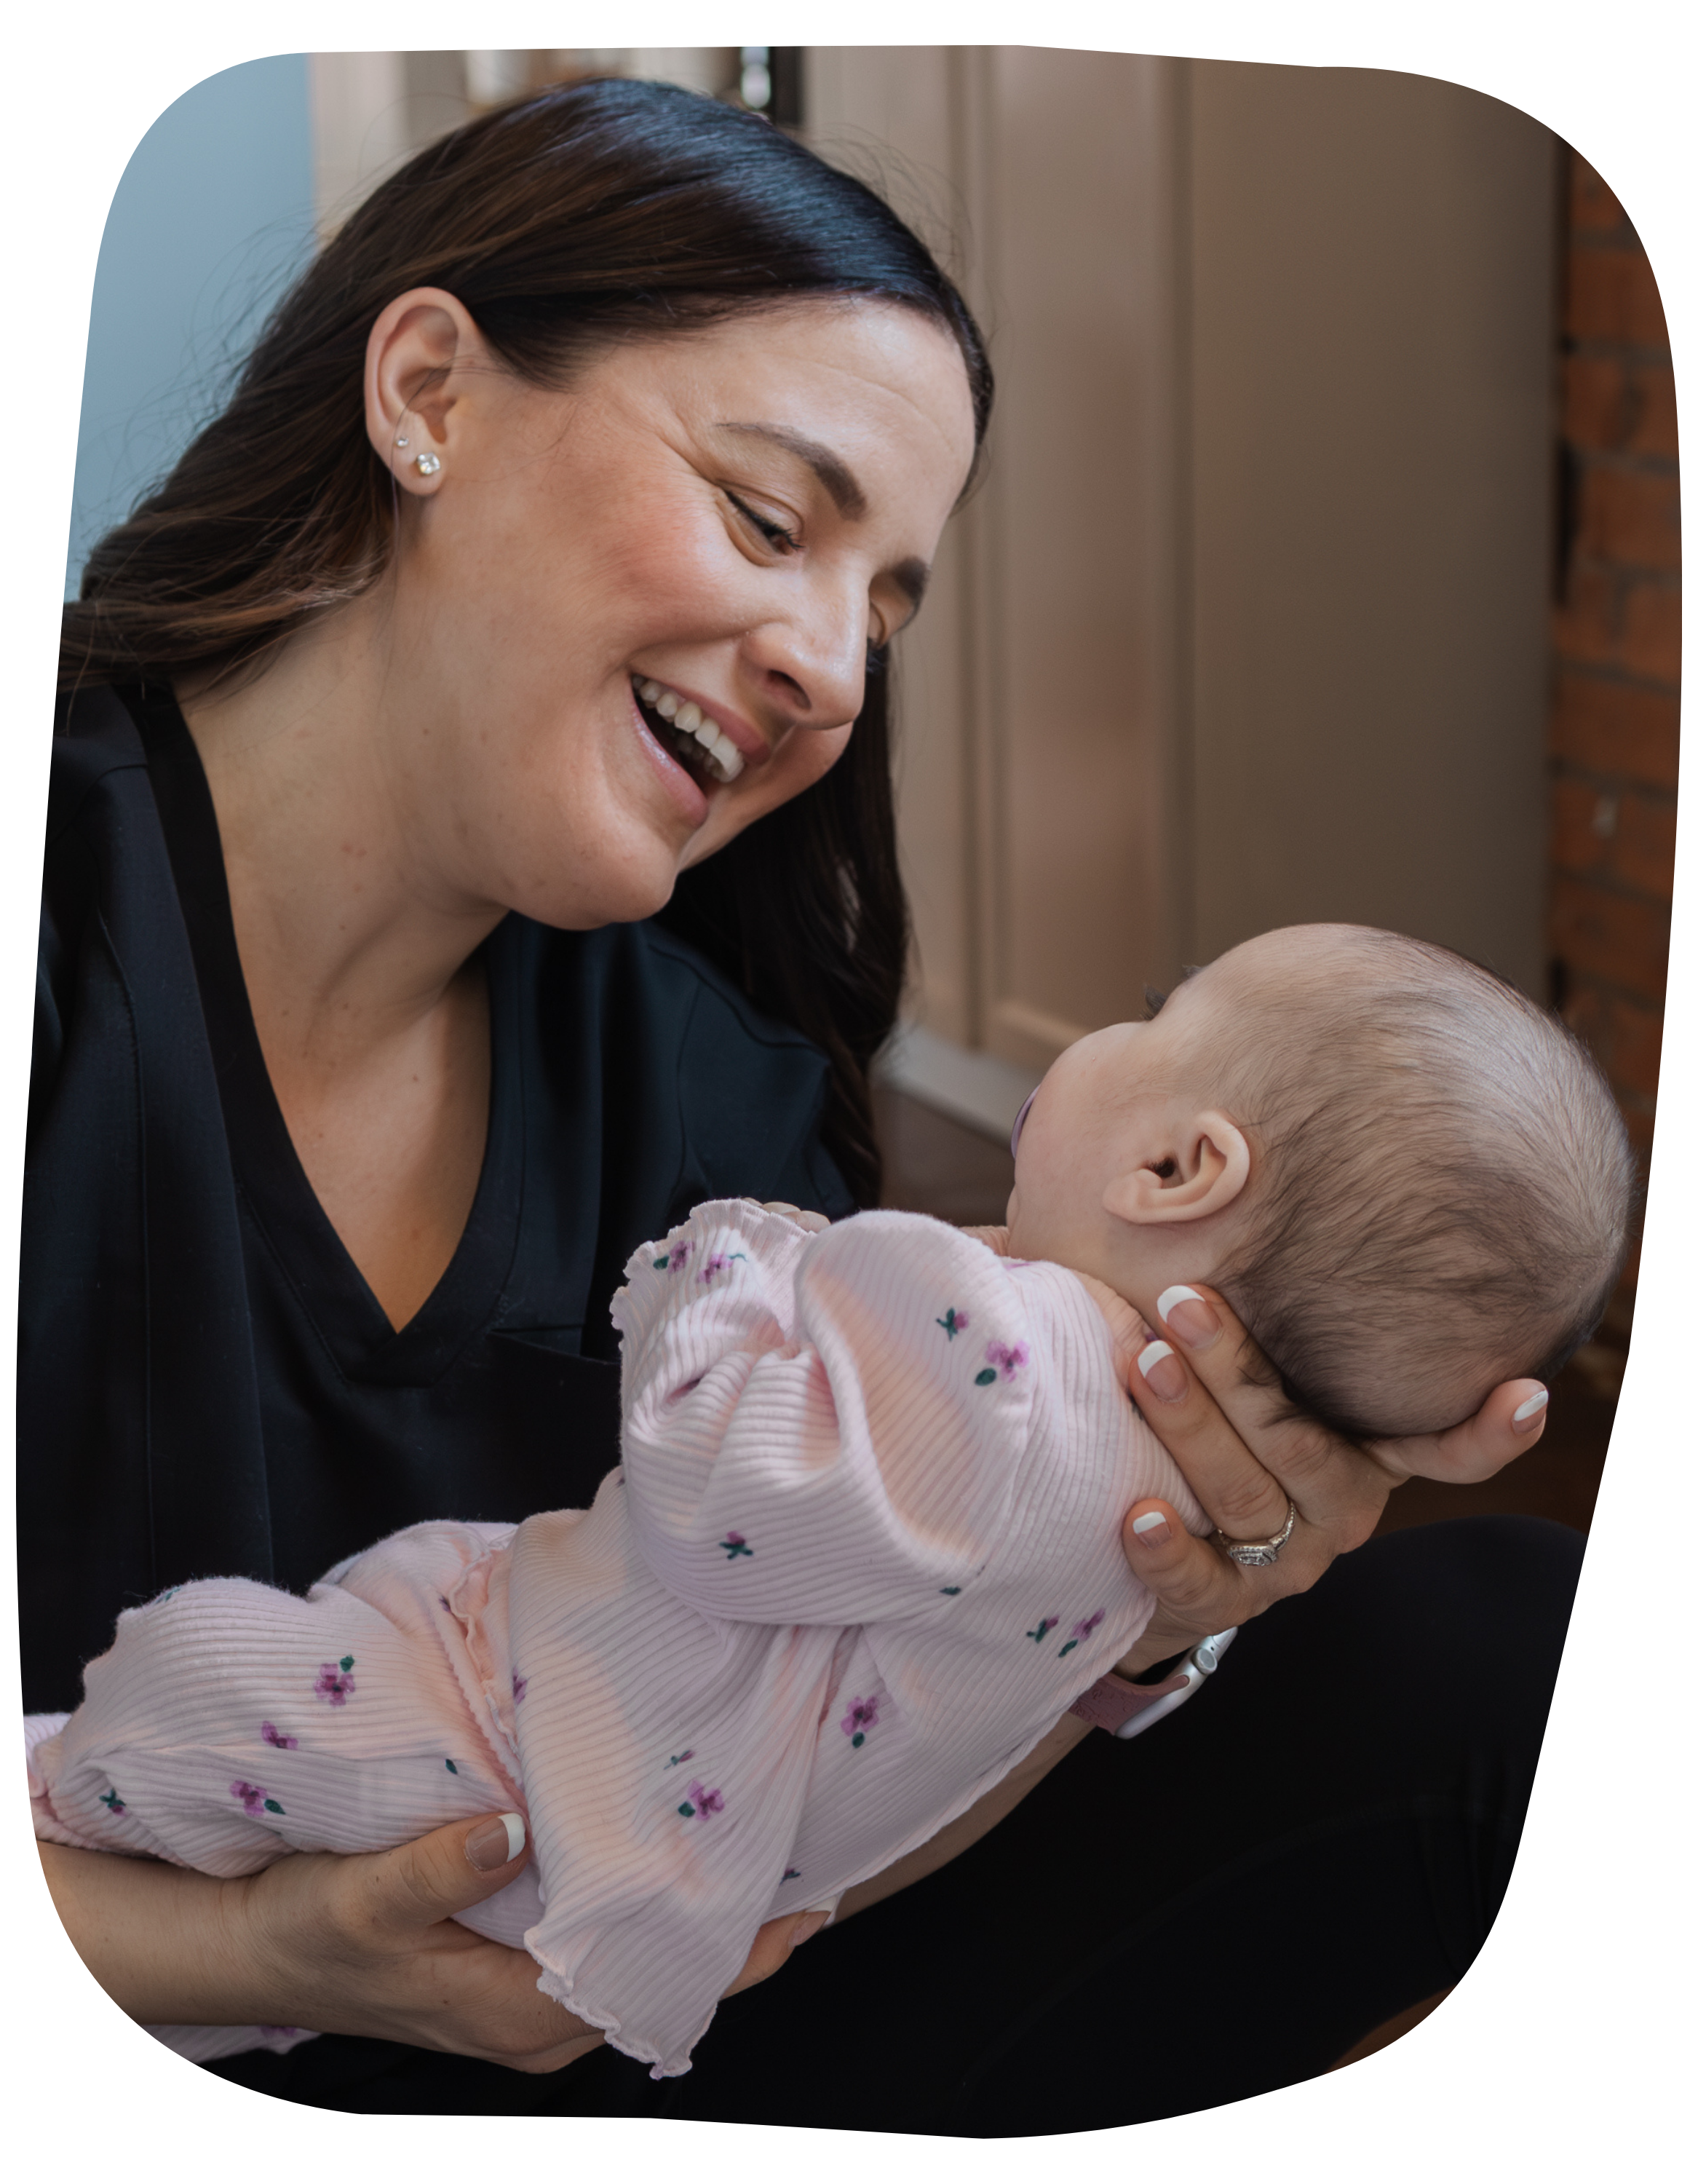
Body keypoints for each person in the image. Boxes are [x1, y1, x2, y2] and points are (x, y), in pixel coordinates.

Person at [29, 79, 1581, 2132]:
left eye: (883, 602)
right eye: (773, 519)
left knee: (1502, 1650)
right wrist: (198, 1953)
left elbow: (799, 1789)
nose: (834, 671)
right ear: (427, 394)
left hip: (585, 2018)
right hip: (107, 2043)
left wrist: (1115, 1603)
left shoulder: (711, 1091)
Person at [29, 923, 1635, 2085]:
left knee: (199, 1681)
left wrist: (722, 1257)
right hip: (660, 1863)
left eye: (1154, 1010)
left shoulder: (985, 1329)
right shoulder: (1119, 1461)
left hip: (528, 1752)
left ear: (1173, 1172)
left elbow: (713, 1483)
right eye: (766, 514)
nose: (820, 660)